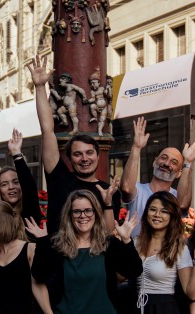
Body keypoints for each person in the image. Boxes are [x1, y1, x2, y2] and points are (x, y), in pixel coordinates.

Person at [28, 56, 120, 235]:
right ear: (69, 158)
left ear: (97, 155)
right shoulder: (59, 178)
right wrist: (39, 87)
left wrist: (107, 204)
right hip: (58, 252)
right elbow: (47, 130)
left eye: (89, 153)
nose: (85, 158)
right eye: (78, 154)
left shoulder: (109, 192)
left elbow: (109, 235)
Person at [120, 116, 195, 237]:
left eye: (174, 162)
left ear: (179, 173)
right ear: (154, 162)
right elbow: (126, 188)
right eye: (164, 158)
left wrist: (188, 162)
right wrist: (136, 147)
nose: (166, 164)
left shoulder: (176, 197)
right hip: (135, 248)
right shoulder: (138, 190)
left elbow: (182, 205)